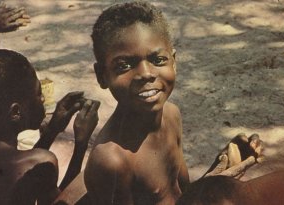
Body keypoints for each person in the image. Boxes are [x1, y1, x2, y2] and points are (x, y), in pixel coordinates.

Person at [80, 2, 262, 205]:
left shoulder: (171, 115)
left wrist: (220, 167)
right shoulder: (111, 161)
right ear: (102, 76)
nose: (146, 74)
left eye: (158, 60)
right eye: (124, 65)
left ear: (173, 62)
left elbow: (185, 194)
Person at [0, 49, 100, 204]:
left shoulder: (15, 160)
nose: (42, 99)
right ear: (16, 112)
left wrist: (52, 130)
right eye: (38, 93)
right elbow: (62, 201)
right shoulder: (40, 160)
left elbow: (28, 175)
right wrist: (81, 143)